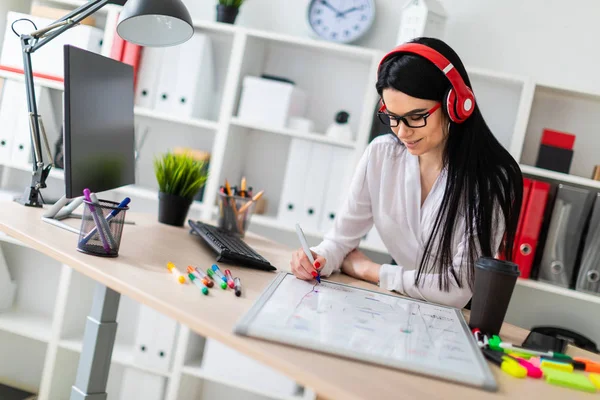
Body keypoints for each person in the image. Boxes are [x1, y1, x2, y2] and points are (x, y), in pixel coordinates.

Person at [290, 37, 523, 308]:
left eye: (415, 117)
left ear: (456, 105)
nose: (402, 132)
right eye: (392, 117)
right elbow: (340, 240)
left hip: (452, 318)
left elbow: (457, 290)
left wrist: (370, 270)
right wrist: (317, 258)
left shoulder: (489, 182)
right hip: (402, 302)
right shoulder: (381, 155)